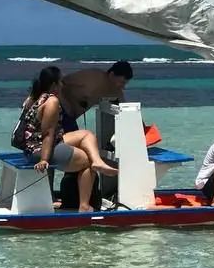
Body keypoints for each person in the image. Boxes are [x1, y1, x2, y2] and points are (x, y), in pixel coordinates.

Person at [11, 66, 118, 213]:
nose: (62, 85)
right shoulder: (52, 101)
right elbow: (48, 134)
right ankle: (84, 206)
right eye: (60, 82)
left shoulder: (34, 96)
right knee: (87, 162)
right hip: (40, 149)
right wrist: (44, 160)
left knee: (86, 134)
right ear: (54, 84)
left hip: (32, 145)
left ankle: (98, 161)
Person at [59, 60, 135, 131]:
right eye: (121, 82)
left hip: (70, 118)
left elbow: (127, 111)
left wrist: (141, 128)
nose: (123, 86)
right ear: (111, 75)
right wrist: (66, 105)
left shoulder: (115, 91)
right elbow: (60, 82)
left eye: (125, 83)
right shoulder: (93, 76)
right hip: (59, 109)